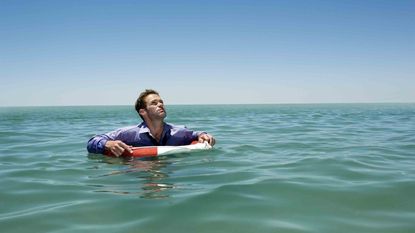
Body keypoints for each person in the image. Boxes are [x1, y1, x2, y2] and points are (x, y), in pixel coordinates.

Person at [87, 89, 215, 157]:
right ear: (143, 111)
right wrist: (108, 144)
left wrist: (204, 135)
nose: (160, 104)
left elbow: (196, 134)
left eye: (161, 102)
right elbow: (92, 142)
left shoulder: (179, 131)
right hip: (138, 175)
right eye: (154, 103)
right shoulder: (129, 134)